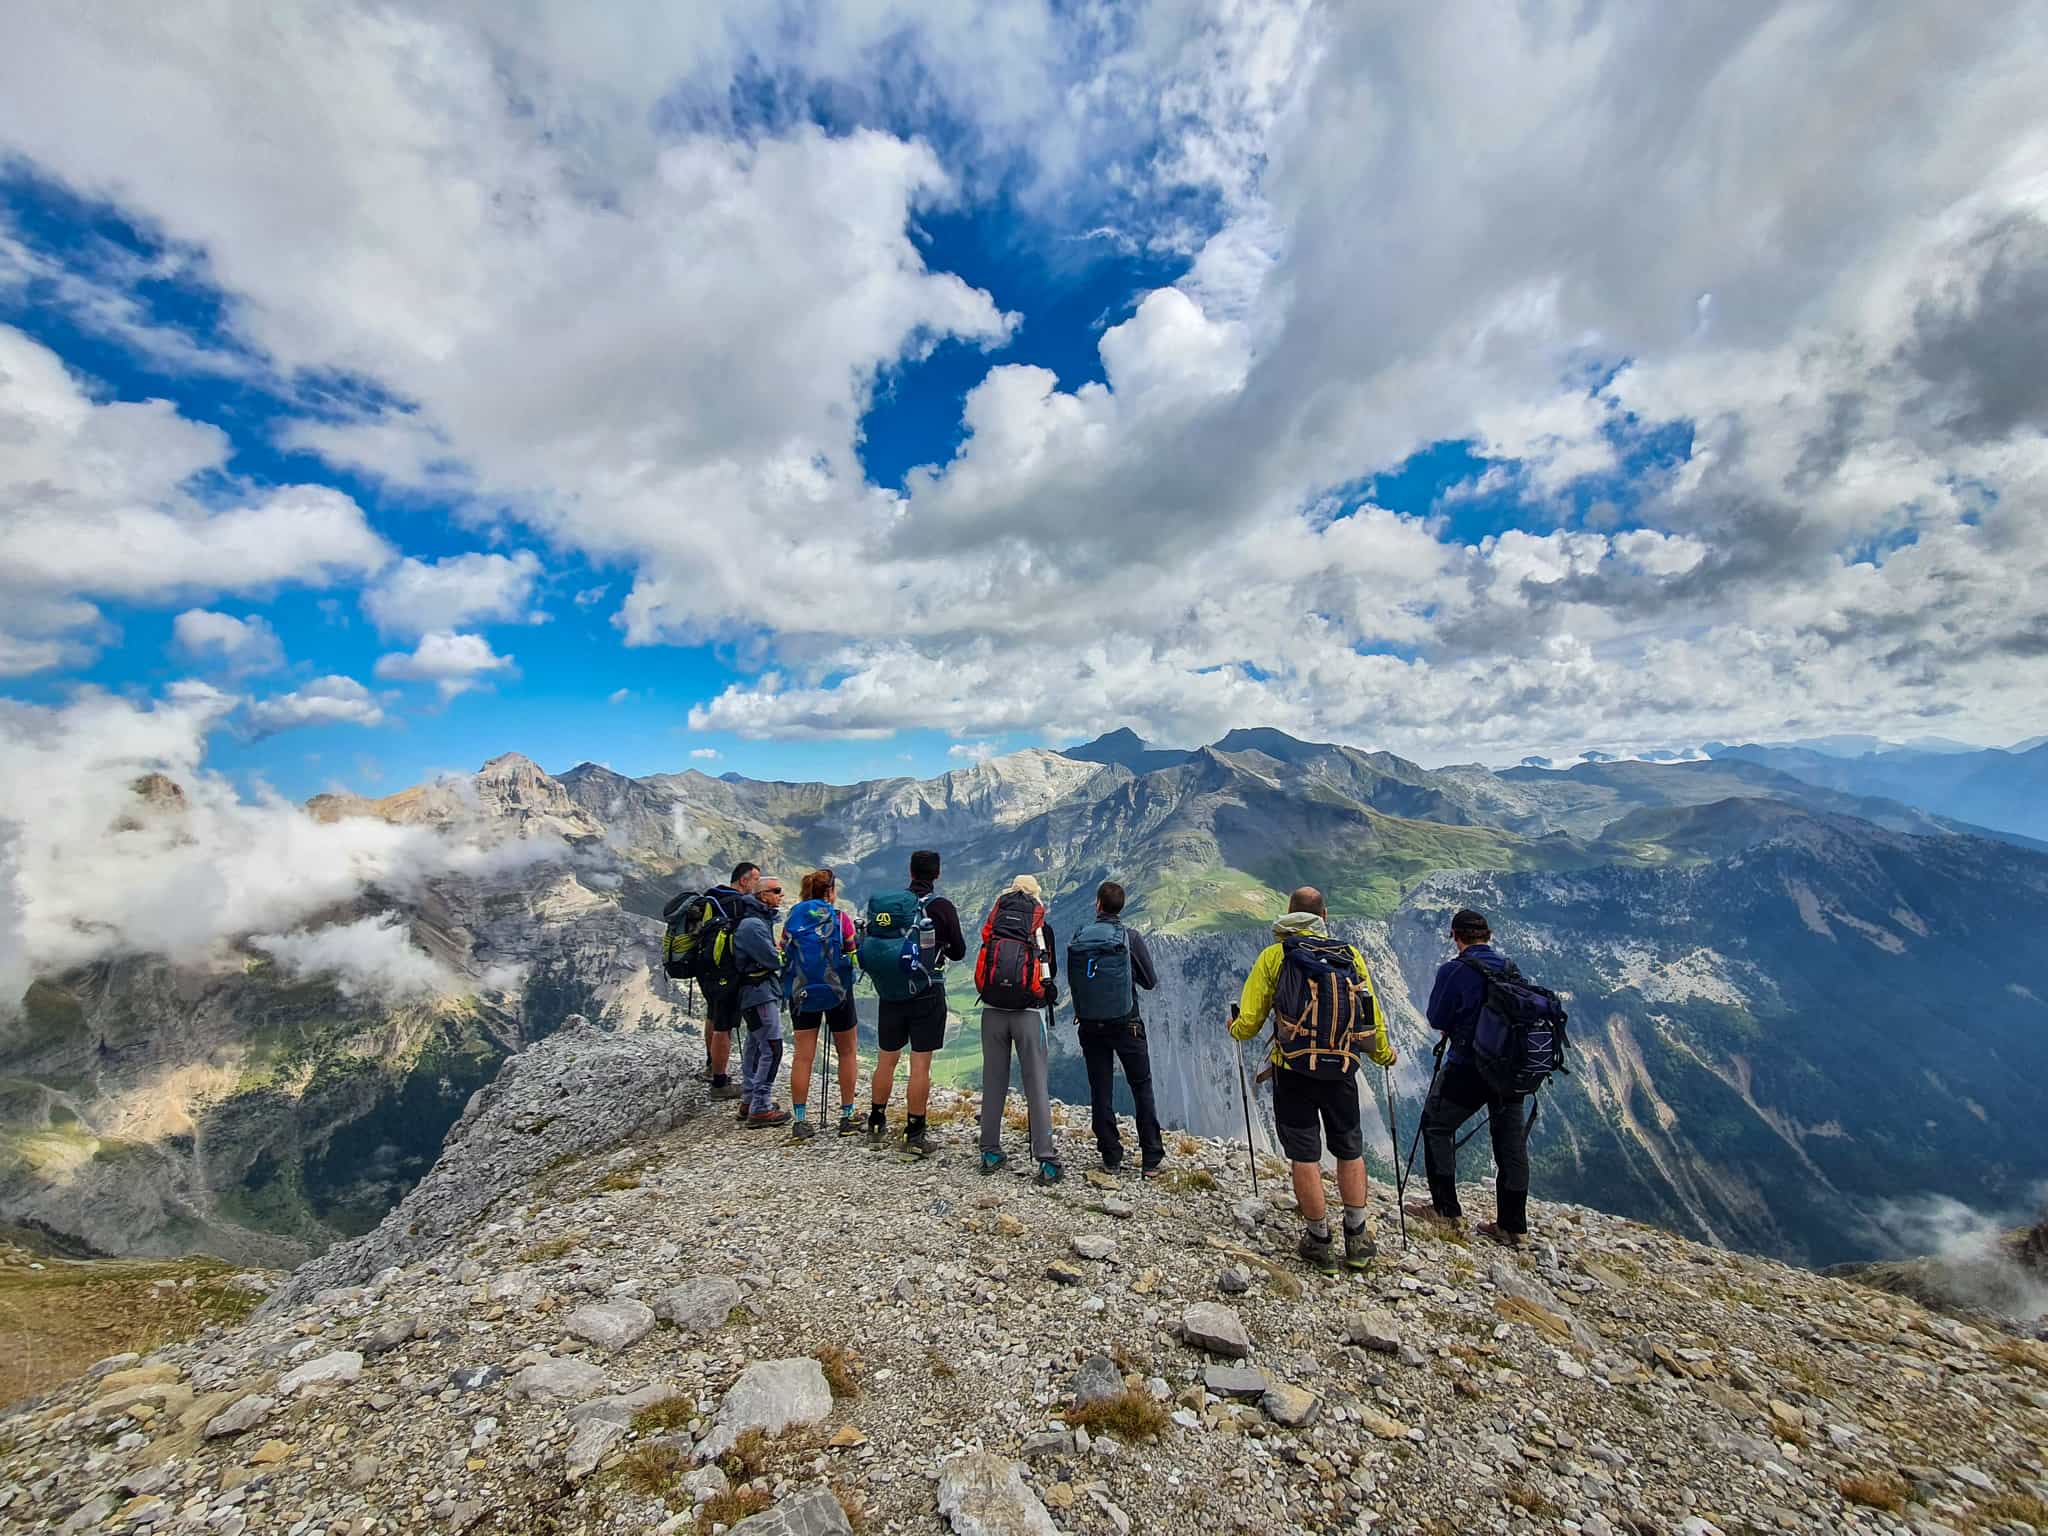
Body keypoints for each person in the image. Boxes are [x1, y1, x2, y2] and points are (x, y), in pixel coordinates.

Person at [1229, 886, 1396, 1274]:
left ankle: (1318, 1241)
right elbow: (1372, 1015)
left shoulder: (1274, 956)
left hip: (1293, 1070)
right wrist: (1384, 1054)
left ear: (1288, 915)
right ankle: (1357, 1237)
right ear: (1324, 915)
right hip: (1342, 1070)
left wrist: (1235, 1028)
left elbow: (1250, 1022)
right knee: (1349, 1150)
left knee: (1304, 1155)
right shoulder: (1349, 955)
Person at [1410, 908, 1529, 1247]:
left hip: (1469, 1066)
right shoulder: (1508, 967)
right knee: (1510, 1142)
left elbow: (1436, 1017)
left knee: (1437, 1126)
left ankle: (1446, 1211)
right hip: (1511, 1069)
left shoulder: (1454, 970)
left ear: (1456, 936)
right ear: (1487, 935)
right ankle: (1513, 1226)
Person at [865, 849, 966, 1156]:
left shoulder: (893, 908)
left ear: (910, 872)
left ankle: (876, 1123)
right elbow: (958, 952)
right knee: (919, 1064)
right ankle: (914, 1132)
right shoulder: (941, 907)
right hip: (927, 992)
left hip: (890, 991)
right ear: (937, 874)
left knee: (887, 1059)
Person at [1066, 881, 1164, 1177]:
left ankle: (1110, 1156)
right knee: (1141, 1086)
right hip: (1126, 1023)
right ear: (1121, 907)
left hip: (1090, 1024)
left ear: (1098, 904)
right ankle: (1150, 1158)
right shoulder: (1129, 937)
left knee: (1101, 1088)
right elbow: (1149, 981)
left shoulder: (1080, 936)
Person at [975, 874, 1061, 1184]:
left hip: (992, 1011)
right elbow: (1050, 970)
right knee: (1036, 1084)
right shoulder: (1040, 928)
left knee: (993, 1081)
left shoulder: (997, 922)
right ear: (1036, 896)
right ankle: (1046, 1159)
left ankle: (989, 1151)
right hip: (1027, 1013)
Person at [784, 867, 860, 1142]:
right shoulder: (840, 919)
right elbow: (852, 950)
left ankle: (801, 1120)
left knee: (803, 1056)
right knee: (847, 1052)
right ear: (830, 891)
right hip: (838, 991)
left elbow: (785, 949)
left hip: (801, 991)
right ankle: (847, 1115)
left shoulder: (794, 916)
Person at [731, 873, 789, 1127]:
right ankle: (761, 1107)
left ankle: (749, 1099)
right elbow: (773, 960)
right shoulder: (753, 926)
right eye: (776, 891)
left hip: (751, 993)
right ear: (762, 896)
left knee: (755, 1044)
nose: (781, 895)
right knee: (772, 1047)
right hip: (759, 992)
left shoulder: (753, 922)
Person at [700, 862, 759, 1099]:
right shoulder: (739, 905)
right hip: (727, 972)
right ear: (744, 880)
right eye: (756, 879)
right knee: (724, 1025)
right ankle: (719, 1083)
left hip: (706, 969)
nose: (758, 884)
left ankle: (710, 1065)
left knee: (712, 1015)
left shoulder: (712, 898)